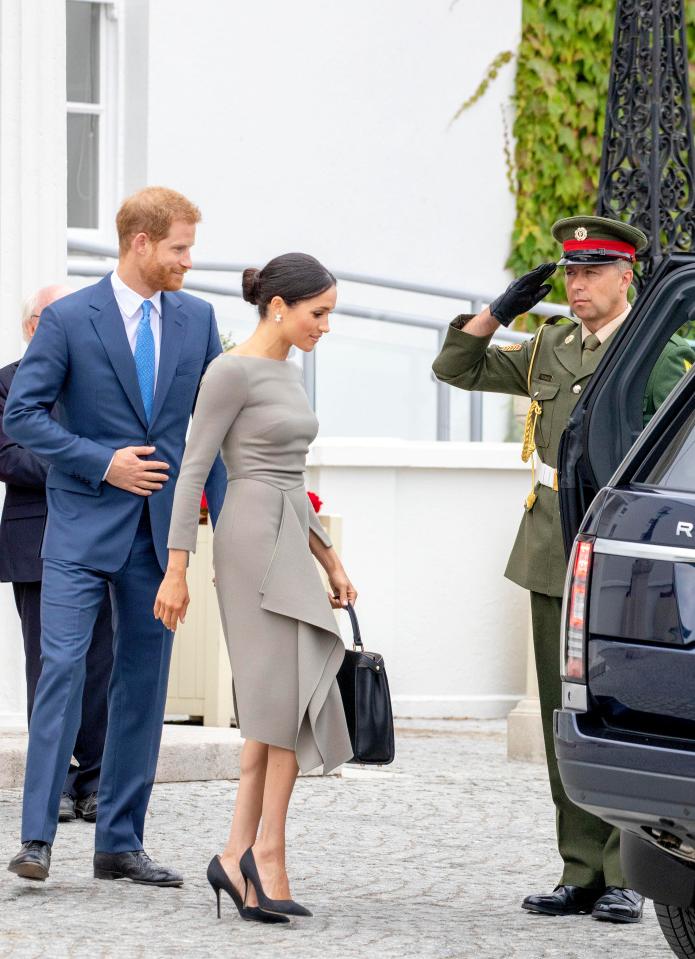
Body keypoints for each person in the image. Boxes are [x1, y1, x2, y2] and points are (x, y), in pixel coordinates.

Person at [432, 215, 692, 925]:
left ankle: (624, 872)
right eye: (569, 273)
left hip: (621, 556)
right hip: (552, 542)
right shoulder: (550, 344)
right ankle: (579, 868)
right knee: (561, 713)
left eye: (591, 272)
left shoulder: (658, 355)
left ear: (624, 276)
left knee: (619, 710)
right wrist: (497, 312)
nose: (576, 284)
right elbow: (453, 368)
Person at [4, 186, 226, 886]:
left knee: (142, 682)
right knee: (63, 672)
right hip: (74, 529)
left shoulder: (198, 319)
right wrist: (103, 461)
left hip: (158, 540)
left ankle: (119, 843)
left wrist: (231, 523)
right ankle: (36, 837)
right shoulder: (69, 318)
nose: (188, 261)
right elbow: (23, 416)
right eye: (179, 248)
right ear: (141, 243)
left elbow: (211, 431)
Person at [157, 252, 357, 923]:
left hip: (290, 533)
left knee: (285, 706)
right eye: (317, 313)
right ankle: (262, 857)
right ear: (279, 305)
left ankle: (244, 851)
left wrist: (329, 559)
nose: (325, 326)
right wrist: (177, 564)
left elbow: (293, 481)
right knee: (277, 703)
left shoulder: (289, 373)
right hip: (246, 538)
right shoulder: (230, 370)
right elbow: (192, 471)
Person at [0, 285, 113, 826]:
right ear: (31, 327)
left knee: (101, 666)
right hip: (36, 545)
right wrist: (86, 466)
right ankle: (58, 786)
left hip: (103, 538)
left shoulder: (98, 379)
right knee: (48, 668)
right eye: (52, 317)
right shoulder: (6, 382)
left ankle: (95, 783)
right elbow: (11, 460)